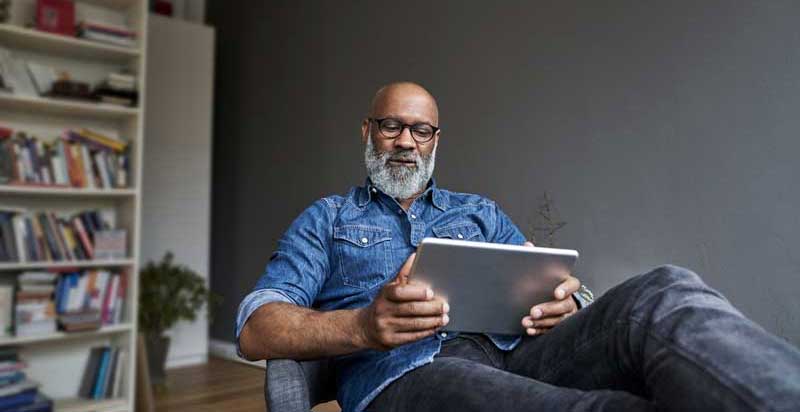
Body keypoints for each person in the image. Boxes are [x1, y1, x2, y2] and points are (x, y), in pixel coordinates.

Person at [236, 82, 800, 412]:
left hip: (519, 351)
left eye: (421, 130)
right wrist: (362, 327)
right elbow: (256, 327)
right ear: (367, 132)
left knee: (665, 292)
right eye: (391, 125)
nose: (406, 140)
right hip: (405, 374)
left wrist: (570, 303)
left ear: (436, 141)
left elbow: (549, 281)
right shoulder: (329, 218)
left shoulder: (477, 211)